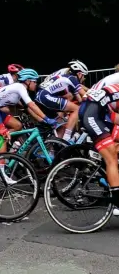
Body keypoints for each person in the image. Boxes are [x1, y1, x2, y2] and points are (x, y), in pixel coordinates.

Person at [0, 68, 58, 153]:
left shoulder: (19, 89)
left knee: (17, 125)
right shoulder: (20, 87)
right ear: (27, 81)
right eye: (34, 82)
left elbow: (28, 108)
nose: (36, 84)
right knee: (3, 135)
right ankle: (1, 163)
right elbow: (32, 105)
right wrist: (47, 118)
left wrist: (42, 120)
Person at [79, 84, 119, 216]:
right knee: (111, 157)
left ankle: (107, 176)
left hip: (95, 113)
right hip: (92, 117)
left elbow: (114, 117)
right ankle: (117, 201)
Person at [35, 60, 88, 141]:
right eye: (84, 76)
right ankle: (67, 138)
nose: (84, 79)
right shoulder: (71, 79)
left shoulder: (66, 77)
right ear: (79, 74)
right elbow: (85, 95)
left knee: (61, 126)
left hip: (40, 96)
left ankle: (55, 149)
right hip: (45, 96)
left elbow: (80, 99)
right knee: (77, 109)